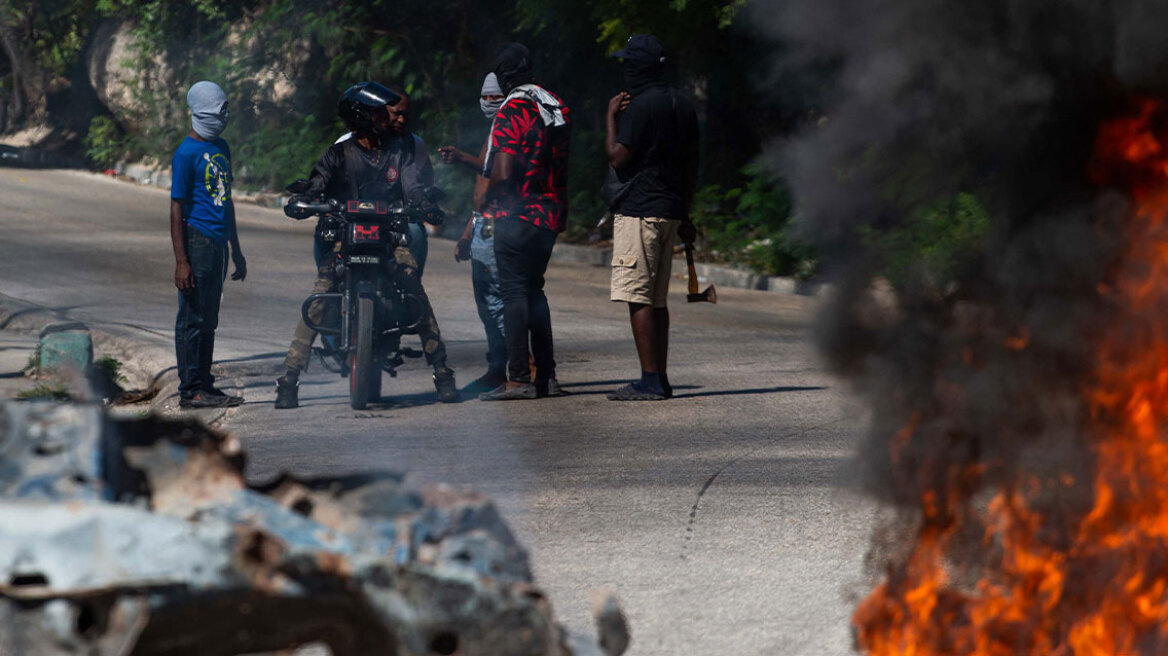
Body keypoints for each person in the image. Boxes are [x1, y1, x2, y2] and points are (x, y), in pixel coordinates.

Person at [274, 82, 459, 408]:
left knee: (415, 292)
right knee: (317, 299)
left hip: (389, 238)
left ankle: (443, 372)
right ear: (362, 115)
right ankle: (289, 380)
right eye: (377, 111)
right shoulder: (338, 153)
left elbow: (413, 186)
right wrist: (303, 201)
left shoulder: (399, 152)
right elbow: (316, 184)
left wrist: (426, 205)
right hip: (344, 240)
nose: (386, 117)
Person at [604, 34, 699, 401]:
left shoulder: (641, 106)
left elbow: (617, 157)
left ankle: (649, 380)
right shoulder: (682, 104)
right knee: (657, 300)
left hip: (640, 211)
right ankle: (660, 377)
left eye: (629, 63)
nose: (625, 69)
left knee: (638, 296)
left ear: (638, 68)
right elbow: (692, 165)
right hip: (670, 211)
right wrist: (685, 212)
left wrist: (610, 117)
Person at [476, 43, 572, 401]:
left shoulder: (512, 108)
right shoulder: (555, 104)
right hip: (549, 214)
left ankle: (518, 379)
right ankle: (547, 376)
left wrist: (488, 195)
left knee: (514, 292)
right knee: (535, 293)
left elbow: (503, 170)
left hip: (516, 215)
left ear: (504, 77)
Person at [170, 80, 247, 409]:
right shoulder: (185, 154)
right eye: (219, 111)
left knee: (209, 319)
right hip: (196, 240)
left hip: (218, 243)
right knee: (192, 318)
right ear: (200, 113)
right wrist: (181, 261)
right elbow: (176, 208)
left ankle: (205, 382)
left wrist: (237, 250)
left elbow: (226, 203)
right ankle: (190, 390)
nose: (224, 117)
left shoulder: (222, 148)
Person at [439, 73, 508, 394]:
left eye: (496, 97)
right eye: (486, 97)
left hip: (500, 227)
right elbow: (482, 192)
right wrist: (468, 232)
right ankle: (498, 368)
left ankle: (524, 365)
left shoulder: (510, 128)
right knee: (486, 302)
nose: (489, 103)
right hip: (483, 226)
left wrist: (463, 158)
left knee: (500, 301)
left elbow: (495, 175)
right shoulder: (494, 131)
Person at [334, 90, 435, 275]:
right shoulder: (345, 144)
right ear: (377, 112)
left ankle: (411, 292)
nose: (402, 120)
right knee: (325, 235)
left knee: (415, 232)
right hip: (353, 217)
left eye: (406, 114)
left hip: (396, 219)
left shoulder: (412, 146)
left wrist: (425, 202)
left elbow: (422, 181)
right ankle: (327, 287)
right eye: (396, 113)